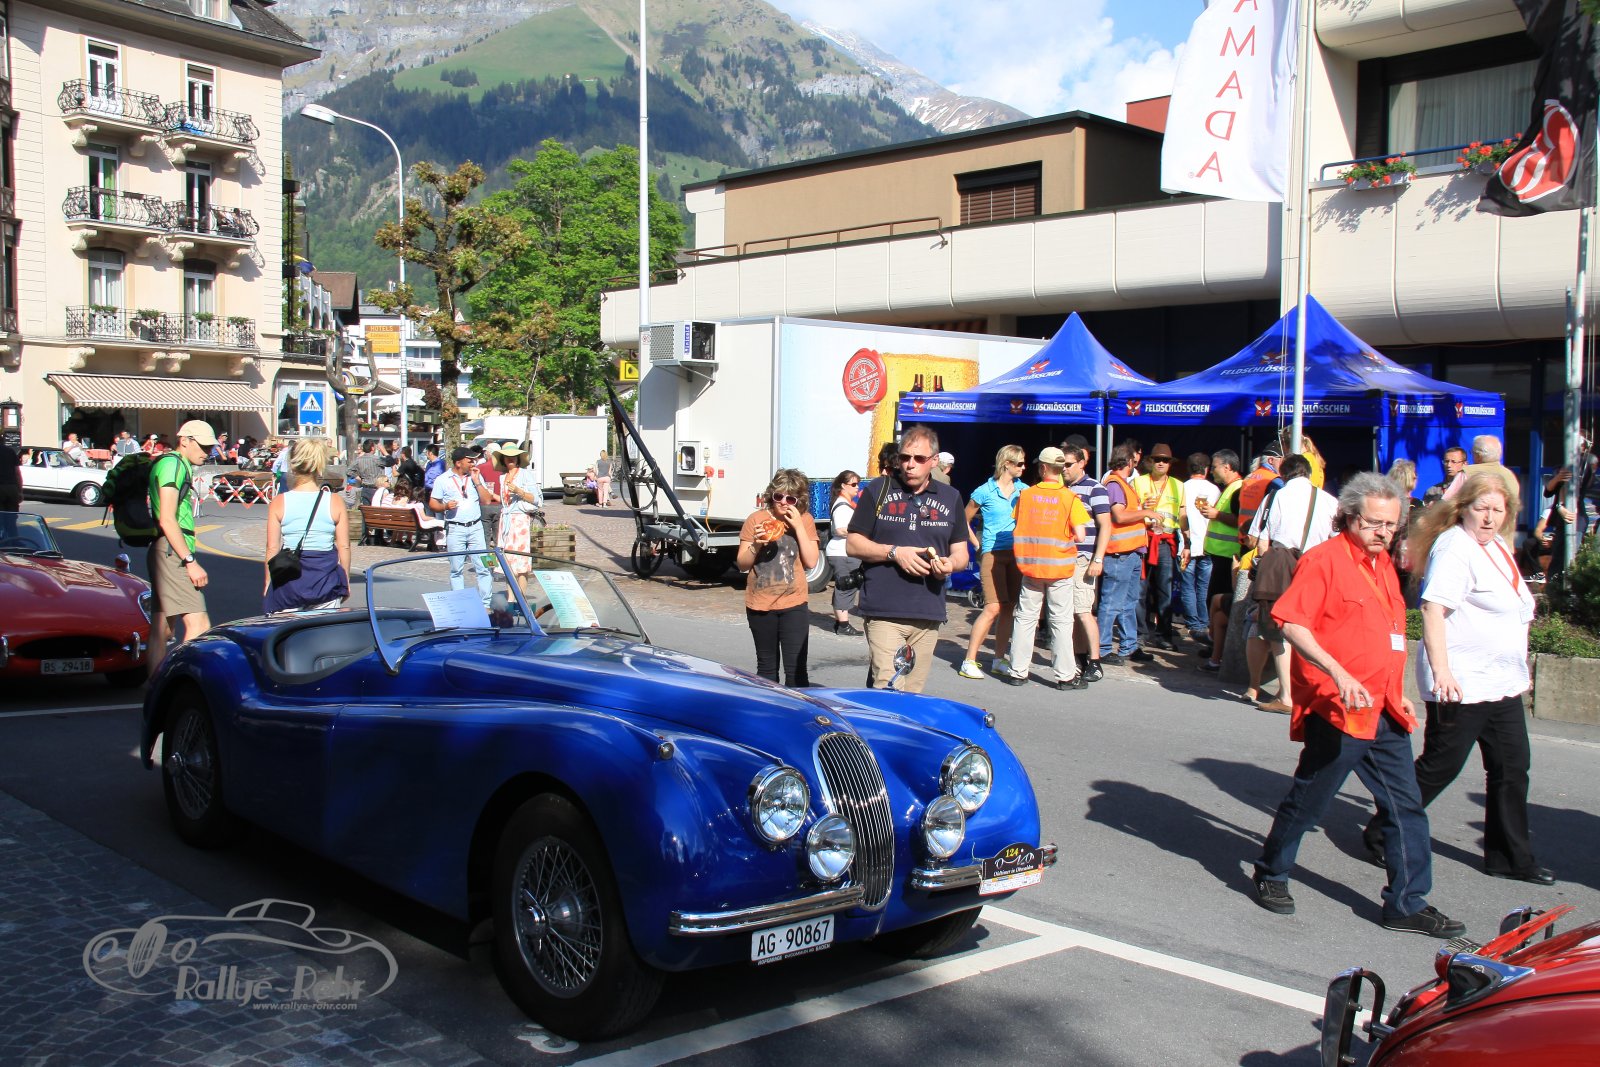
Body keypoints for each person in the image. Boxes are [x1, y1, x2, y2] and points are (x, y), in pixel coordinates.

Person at [1252, 473, 1466, 939]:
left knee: (1406, 807)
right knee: (1310, 801)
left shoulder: (1382, 563)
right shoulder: (1324, 560)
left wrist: (1397, 689)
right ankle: (1271, 871)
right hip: (1338, 707)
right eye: (1374, 523)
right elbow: (1291, 622)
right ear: (1349, 517)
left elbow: (1387, 634)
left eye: (1391, 525)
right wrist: (1340, 674)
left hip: (1382, 707)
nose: (1383, 532)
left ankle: (1406, 903)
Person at [1358, 473, 1550, 885]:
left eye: (1498, 510)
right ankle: (1381, 834)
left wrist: (1517, 668)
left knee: (1513, 767)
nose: (1489, 518)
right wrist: (1442, 671)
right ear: (1463, 509)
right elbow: (1432, 610)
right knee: (1439, 767)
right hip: (1462, 683)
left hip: (1500, 683)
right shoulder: (1455, 547)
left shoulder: (1497, 546)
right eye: (1481, 509)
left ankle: (1510, 858)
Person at [846, 425, 971, 693]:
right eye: (905, 457)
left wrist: (949, 565)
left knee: (913, 696)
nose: (910, 465)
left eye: (919, 458)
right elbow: (853, 544)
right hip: (884, 610)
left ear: (934, 461)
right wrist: (895, 552)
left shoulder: (950, 497)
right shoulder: (878, 489)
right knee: (890, 689)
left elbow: (961, 552)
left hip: (928, 612)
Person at [1245, 455, 1337, 713]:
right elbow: (1338, 542)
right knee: (1311, 630)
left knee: (1279, 629)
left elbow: (1261, 542)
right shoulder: (1329, 501)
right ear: (1308, 473)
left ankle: (1286, 695)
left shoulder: (1275, 498)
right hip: (1317, 569)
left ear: (1283, 475)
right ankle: (1309, 690)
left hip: (1280, 569)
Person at [1005, 447, 1090, 689]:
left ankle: (1017, 672)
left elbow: (1019, 524)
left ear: (1042, 468)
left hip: (1031, 567)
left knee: (1025, 618)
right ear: (1061, 468)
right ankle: (1065, 676)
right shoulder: (1069, 498)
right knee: (1061, 621)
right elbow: (1081, 535)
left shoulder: (1026, 495)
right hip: (1059, 569)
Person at [737, 469, 820, 687]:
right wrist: (756, 545)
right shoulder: (756, 520)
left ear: (799, 499)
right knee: (766, 670)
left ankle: (797, 707)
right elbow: (742, 563)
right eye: (778, 496)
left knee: (796, 672)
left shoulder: (805, 520)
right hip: (760, 604)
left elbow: (811, 561)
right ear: (771, 495)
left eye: (790, 498)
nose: (783, 502)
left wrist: (798, 527)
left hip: (794, 603)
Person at [147, 421, 215, 676]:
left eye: (210, 447)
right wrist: (190, 561)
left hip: (164, 548)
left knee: (162, 628)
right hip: (172, 550)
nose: (208, 452)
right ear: (184, 440)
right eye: (204, 446)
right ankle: (173, 684)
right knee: (199, 625)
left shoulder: (174, 464)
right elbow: (167, 518)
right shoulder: (173, 465)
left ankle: (156, 687)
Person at [262, 437, 350, 614]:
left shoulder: (279, 502)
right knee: (322, 630)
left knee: (287, 630)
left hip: (288, 581)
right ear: (319, 466)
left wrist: (268, 582)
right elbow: (344, 546)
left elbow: (272, 547)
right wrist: (345, 580)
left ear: (293, 465)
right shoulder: (335, 501)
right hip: (325, 580)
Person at [960, 445, 1026, 679]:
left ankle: (999, 659)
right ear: (1007, 463)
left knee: (1008, 607)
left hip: (1016, 554)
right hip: (992, 553)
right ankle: (969, 660)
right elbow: (963, 519)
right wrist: (976, 544)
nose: (1023, 467)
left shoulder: (1024, 491)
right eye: (1019, 463)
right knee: (993, 607)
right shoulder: (984, 490)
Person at [1097, 443, 1159, 665]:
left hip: (1130, 552)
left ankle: (1129, 646)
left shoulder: (1123, 484)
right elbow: (1119, 516)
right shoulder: (1115, 484)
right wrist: (1146, 512)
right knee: (1112, 601)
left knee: (1129, 601)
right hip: (1119, 554)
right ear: (1130, 461)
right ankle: (1102, 648)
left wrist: (1142, 513)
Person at [1063, 437, 1110, 682]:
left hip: (1083, 558)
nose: (1064, 469)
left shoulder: (1095, 488)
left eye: (1068, 464)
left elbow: (1106, 525)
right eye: (1061, 464)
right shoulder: (1062, 489)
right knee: (1069, 613)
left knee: (1083, 611)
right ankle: (1078, 659)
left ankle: (1095, 661)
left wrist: (1097, 559)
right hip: (1064, 558)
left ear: (1081, 463)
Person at [1131, 442, 1185, 649]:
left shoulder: (1178, 485)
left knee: (1165, 590)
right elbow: (1129, 510)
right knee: (1140, 589)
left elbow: (1182, 514)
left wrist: (1188, 543)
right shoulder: (1138, 482)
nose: (1161, 463)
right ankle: (1140, 633)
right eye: (1157, 459)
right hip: (1143, 539)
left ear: (1170, 464)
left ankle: (1164, 635)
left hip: (1166, 541)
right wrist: (1141, 508)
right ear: (1150, 462)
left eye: (1165, 460)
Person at [428, 446, 497, 604]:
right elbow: (433, 503)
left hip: (476, 527)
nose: (474, 463)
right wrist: (445, 506)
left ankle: (485, 603)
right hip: (455, 528)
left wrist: (477, 481)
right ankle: (460, 604)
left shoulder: (475, 477)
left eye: (474, 460)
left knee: (484, 566)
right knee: (456, 569)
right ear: (458, 463)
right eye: (470, 460)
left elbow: (487, 500)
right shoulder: (443, 479)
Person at [1196, 449, 1245, 671]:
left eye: (1215, 467)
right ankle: (1214, 644)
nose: (1212, 471)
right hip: (1221, 555)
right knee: (1213, 601)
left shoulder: (1238, 489)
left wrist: (1217, 515)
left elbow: (1240, 520)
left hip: (1229, 557)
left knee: (1218, 602)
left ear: (1227, 467)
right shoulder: (1230, 488)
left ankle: (1217, 648)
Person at [1177, 452, 1219, 639]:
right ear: (1207, 469)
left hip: (1185, 546)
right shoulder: (1214, 490)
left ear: (1188, 468)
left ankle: (1194, 624)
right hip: (1207, 545)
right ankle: (1203, 622)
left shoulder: (1181, 488)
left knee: (1187, 586)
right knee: (1204, 586)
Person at [495, 444, 542, 591]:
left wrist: (518, 490)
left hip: (520, 520)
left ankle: (521, 597)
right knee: (507, 561)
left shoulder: (525, 474)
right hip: (506, 520)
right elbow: (505, 501)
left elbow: (535, 499)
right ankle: (510, 598)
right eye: (507, 456)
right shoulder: (502, 477)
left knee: (521, 561)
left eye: (513, 456)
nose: (511, 459)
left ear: (518, 458)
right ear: (503, 459)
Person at [826, 470, 863, 636]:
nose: (857, 487)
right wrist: (861, 533)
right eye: (853, 484)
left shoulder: (844, 503)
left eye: (858, 484)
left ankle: (840, 623)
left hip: (843, 551)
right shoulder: (842, 505)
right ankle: (843, 625)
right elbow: (841, 530)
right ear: (843, 486)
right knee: (846, 585)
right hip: (842, 552)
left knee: (846, 585)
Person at [350, 441, 384, 505]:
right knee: (376, 509)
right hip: (375, 489)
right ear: (372, 448)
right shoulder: (377, 459)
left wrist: (357, 477)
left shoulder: (359, 459)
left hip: (365, 489)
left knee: (366, 509)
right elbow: (391, 462)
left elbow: (349, 471)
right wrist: (384, 451)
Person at [0, 439, 21, 512]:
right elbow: (17, 473)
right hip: (11, 488)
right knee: (12, 514)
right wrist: (20, 491)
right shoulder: (10, 451)